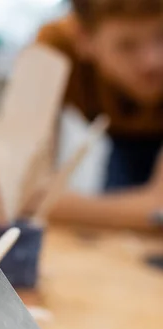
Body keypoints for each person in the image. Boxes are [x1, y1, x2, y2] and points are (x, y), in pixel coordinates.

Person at [36, 0, 163, 229]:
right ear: (83, 39)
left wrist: (52, 205)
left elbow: (158, 211)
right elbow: (24, 191)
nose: (153, 61)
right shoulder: (56, 49)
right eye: (127, 45)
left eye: (162, 36)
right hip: (121, 142)